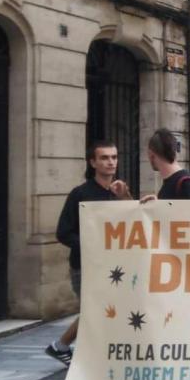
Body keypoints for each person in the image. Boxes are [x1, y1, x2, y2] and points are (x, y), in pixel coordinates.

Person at [47, 140, 132, 366]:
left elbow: (135, 225)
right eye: (104, 158)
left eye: (114, 157)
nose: (110, 162)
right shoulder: (80, 194)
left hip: (115, 267)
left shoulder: (120, 192)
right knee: (95, 310)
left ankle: (69, 349)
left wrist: (126, 198)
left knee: (106, 310)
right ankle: (64, 348)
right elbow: (63, 233)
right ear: (93, 162)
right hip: (85, 265)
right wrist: (92, 245)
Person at [140, 129, 190, 380]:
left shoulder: (185, 183)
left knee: (179, 343)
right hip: (170, 277)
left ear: (152, 155)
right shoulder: (170, 185)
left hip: (182, 278)